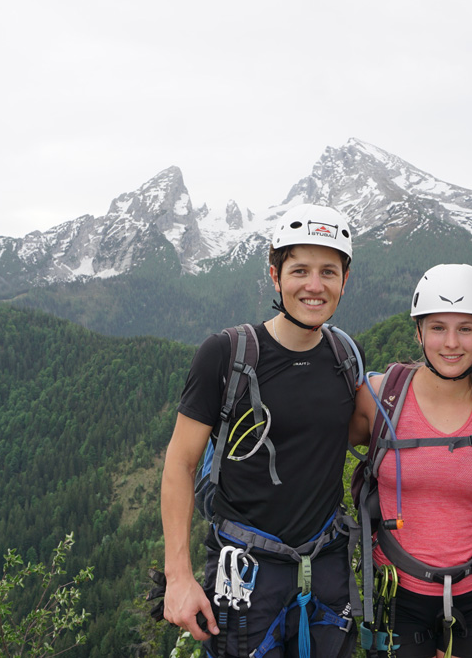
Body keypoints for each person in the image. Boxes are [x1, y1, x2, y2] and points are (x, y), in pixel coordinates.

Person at [160, 203, 361, 658]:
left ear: (344, 281)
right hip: (245, 576)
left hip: (325, 569)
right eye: (300, 270)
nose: (315, 285)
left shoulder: (346, 356)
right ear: (275, 275)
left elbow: (368, 430)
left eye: (328, 272)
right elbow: (180, 462)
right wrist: (179, 576)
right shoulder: (226, 354)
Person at [349, 263, 472, 658]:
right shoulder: (380, 396)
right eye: (438, 327)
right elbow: (314, 447)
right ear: (419, 333)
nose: (451, 342)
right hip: (397, 593)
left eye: (466, 328)